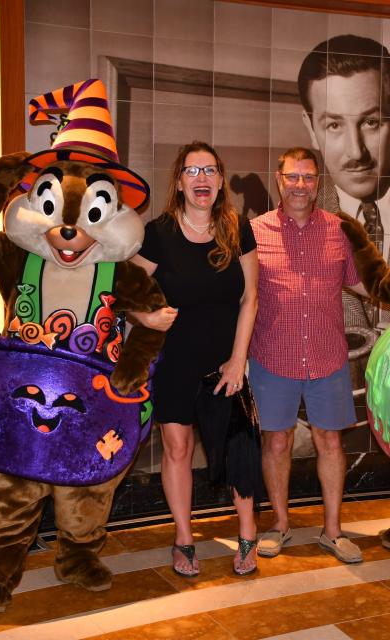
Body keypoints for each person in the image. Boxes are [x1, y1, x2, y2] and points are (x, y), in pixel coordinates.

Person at [131, 141, 259, 577]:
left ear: (221, 179)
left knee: (238, 447)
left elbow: (251, 297)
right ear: (180, 182)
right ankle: (183, 538)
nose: (201, 178)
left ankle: (247, 536)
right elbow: (122, 290)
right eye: (192, 171)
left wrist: (238, 359)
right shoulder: (158, 233)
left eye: (209, 170)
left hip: (226, 362)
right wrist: (145, 314)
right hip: (175, 363)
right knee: (177, 447)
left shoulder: (237, 228)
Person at [249, 147, 366, 564]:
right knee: (276, 441)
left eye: (309, 177)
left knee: (330, 441)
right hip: (270, 357)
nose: (300, 185)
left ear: (319, 183)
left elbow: (367, 285)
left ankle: (332, 531)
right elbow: (241, 297)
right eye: (292, 177)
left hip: (327, 356)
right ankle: (280, 525)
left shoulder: (339, 231)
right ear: (279, 180)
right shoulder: (254, 232)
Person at [297, 34, 390, 329]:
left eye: (371, 122)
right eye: (334, 125)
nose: (356, 151)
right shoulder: (280, 222)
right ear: (311, 128)